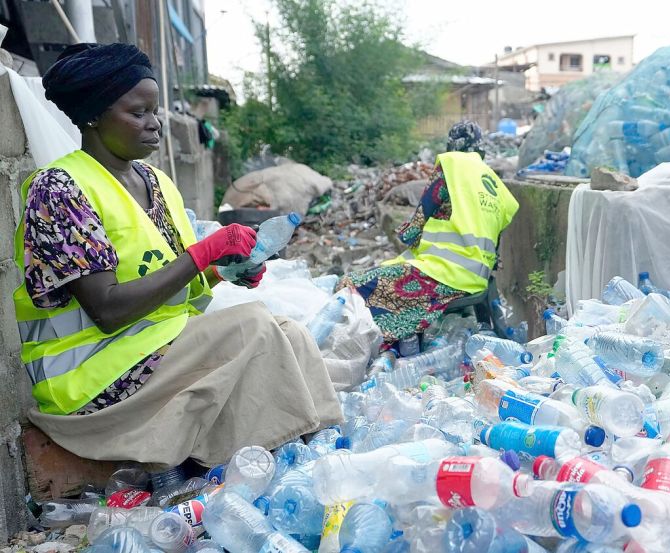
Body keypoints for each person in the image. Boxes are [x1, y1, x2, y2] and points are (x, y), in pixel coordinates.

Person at [13, 43, 341, 469]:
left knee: (290, 332)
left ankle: (319, 454)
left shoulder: (155, 181)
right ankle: (257, 469)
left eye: (156, 111)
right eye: (138, 113)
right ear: (93, 116)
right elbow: (107, 310)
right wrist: (205, 252)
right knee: (252, 326)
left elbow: (179, 286)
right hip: (88, 376)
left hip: (152, 349)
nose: (155, 124)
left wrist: (229, 272)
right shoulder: (58, 189)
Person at [340, 122, 519, 350]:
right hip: (478, 279)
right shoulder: (497, 187)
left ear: (452, 145)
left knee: (351, 284)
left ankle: (377, 346)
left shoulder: (453, 167)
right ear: (481, 149)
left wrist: (406, 236)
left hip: (444, 275)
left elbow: (420, 219)